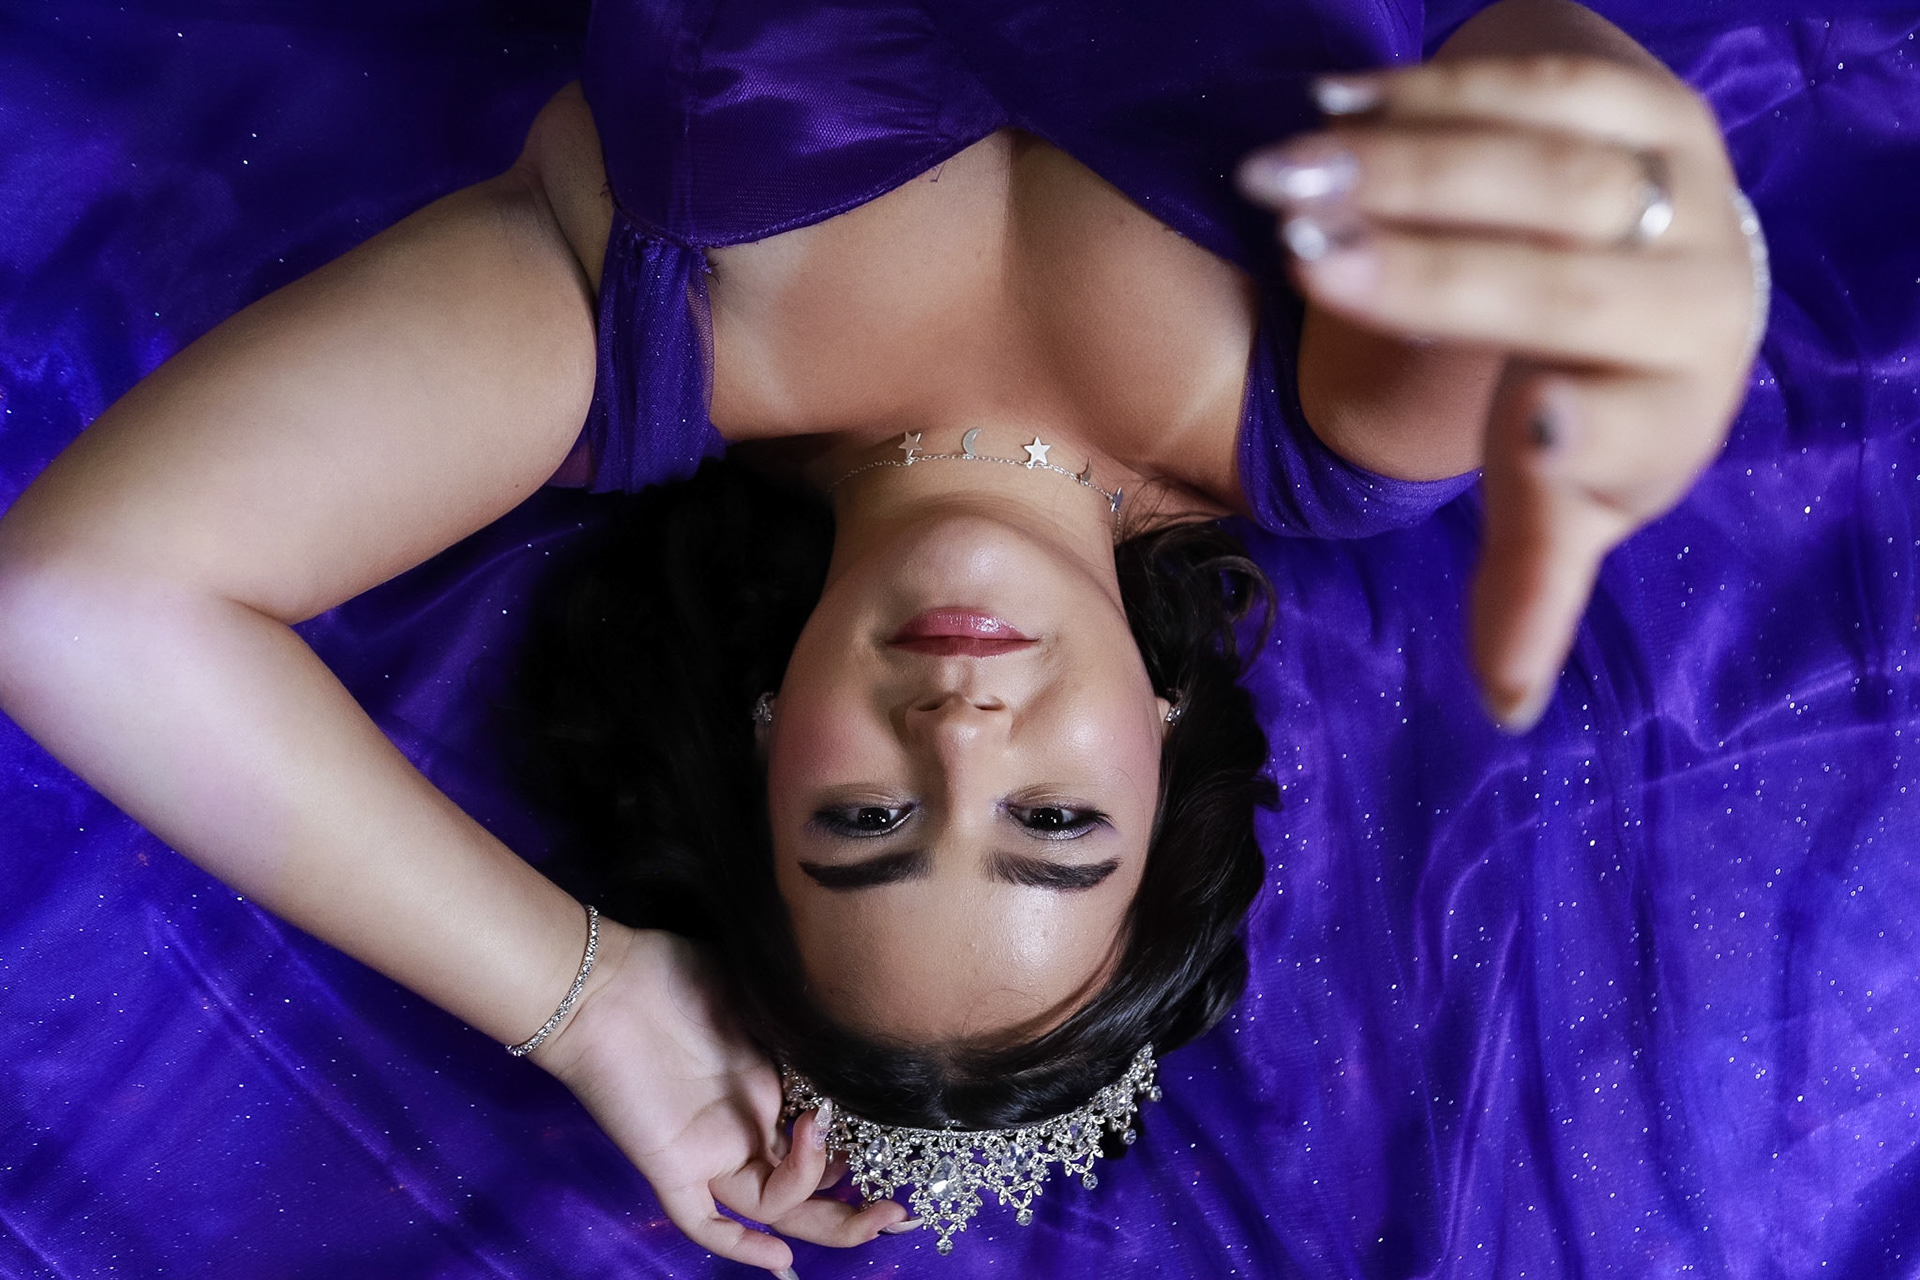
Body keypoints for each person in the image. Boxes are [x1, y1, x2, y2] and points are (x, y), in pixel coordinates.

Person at [0, 0, 1765, 1273]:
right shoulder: (1330, 422)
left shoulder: (632, 333)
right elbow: (1555, 120)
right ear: (1165, 742)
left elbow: (78, 606)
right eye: (1054, 823)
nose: (963, 734)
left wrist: (593, 1001)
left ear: (768, 738)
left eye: (867, 822)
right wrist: (1648, 226)